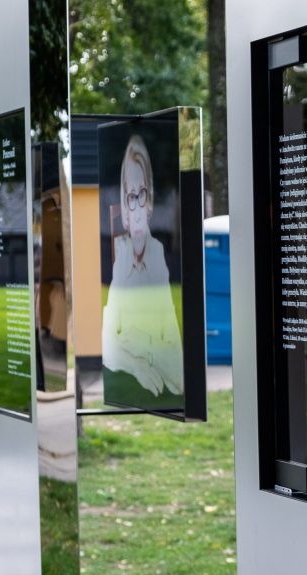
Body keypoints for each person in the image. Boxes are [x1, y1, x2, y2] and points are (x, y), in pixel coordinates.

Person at [101, 134, 184, 399]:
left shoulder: (158, 254)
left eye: (142, 195)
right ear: (123, 209)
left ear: (150, 204)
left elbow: (172, 347)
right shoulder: (121, 257)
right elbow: (109, 345)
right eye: (129, 196)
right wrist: (137, 365)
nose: (135, 208)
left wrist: (137, 342)